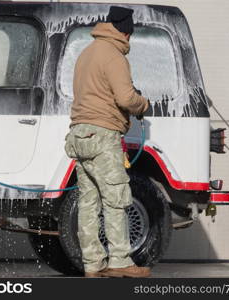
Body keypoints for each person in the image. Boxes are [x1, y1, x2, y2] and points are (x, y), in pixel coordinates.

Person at [64, 6, 151, 278]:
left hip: (79, 134)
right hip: (103, 135)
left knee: (88, 202)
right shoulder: (113, 55)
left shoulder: (87, 53)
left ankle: (93, 264)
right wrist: (143, 104)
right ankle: (120, 261)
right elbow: (126, 98)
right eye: (130, 36)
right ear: (126, 32)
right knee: (116, 199)